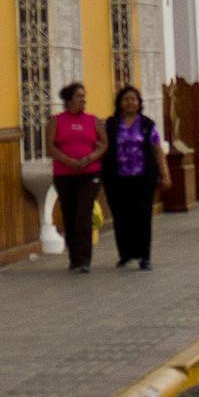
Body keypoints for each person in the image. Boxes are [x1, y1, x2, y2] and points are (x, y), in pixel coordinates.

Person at [100, 84, 170, 269]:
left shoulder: (147, 124)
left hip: (143, 178)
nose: (130, 102)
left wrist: (165, 174)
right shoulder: (111, 124)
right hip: (117, 179)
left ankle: (144, 256)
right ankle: (125, 254)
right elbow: (102, 147)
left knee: (143, 216)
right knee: (121, 216)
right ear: (119, 103)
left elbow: (157, 150)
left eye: (134, 99)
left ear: (139, 103)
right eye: (126, 99)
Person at [47, 79, 105, 274]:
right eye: (79, 96)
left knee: (83, 215)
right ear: (69, 100)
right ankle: (74, 257)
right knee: (70, 215)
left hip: (89, 174)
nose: (83, 100)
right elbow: (50, 147)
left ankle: (84, 259)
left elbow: (104, 144)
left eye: (83, 96)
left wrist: (90, 157)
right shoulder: (57, 121)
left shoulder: (93, 121)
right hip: (65, 174)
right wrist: (68, 160)